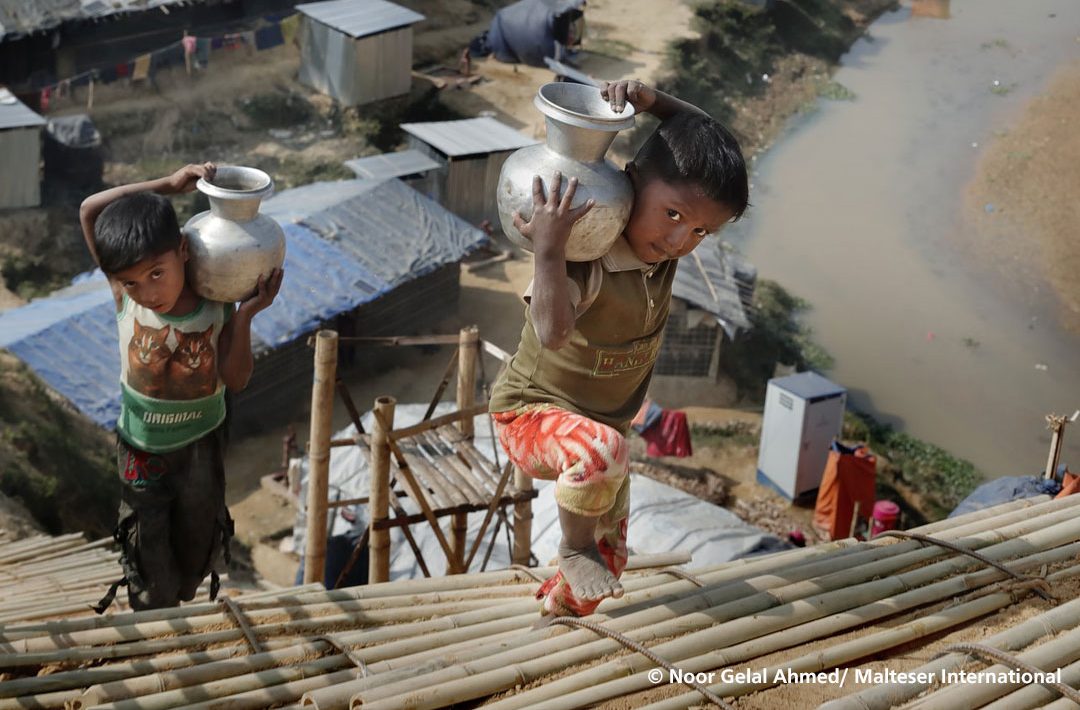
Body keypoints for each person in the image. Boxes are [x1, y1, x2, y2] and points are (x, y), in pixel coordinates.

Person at [488, 79, 749, 619]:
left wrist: (654, 103)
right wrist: (549, 251)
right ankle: (571, 546)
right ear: (630, 184)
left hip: (605, 440)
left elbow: (705, 130)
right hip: (530, 416)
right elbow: (552, 332)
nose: (682, 239)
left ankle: (561, 618)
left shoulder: (663, 254)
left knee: (609, 560)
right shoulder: (591, 257)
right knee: (602, 456)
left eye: (702, 231)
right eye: (674, 215)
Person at [79, 163, 283, 611]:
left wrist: (246, 316)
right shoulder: (122, 296)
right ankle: (155, 628)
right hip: (141, 450)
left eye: (157, 273)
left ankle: (178, 609)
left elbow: (236, 379)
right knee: (147, 560)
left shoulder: (217, 301)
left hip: (201, 449)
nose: (147, 293)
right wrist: (167, 184)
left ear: (184, 250)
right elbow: (90, 209)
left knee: (195, 554)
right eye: (132, 282)